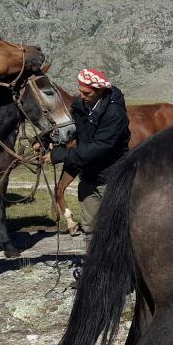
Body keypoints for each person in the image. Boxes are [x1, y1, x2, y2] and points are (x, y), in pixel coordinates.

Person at [44, 68, 130, 234]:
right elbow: (70, 133)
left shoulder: (115, 114)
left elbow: (97, 148)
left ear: (99, 92)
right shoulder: (81, 106)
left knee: (115, 231)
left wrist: (58, 155)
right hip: (89, 178)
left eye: (87, 93)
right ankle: (91, 260)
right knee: (90, 229)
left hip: (110, 180)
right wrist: (47, 142)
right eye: (80, 91)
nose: (82, 96)